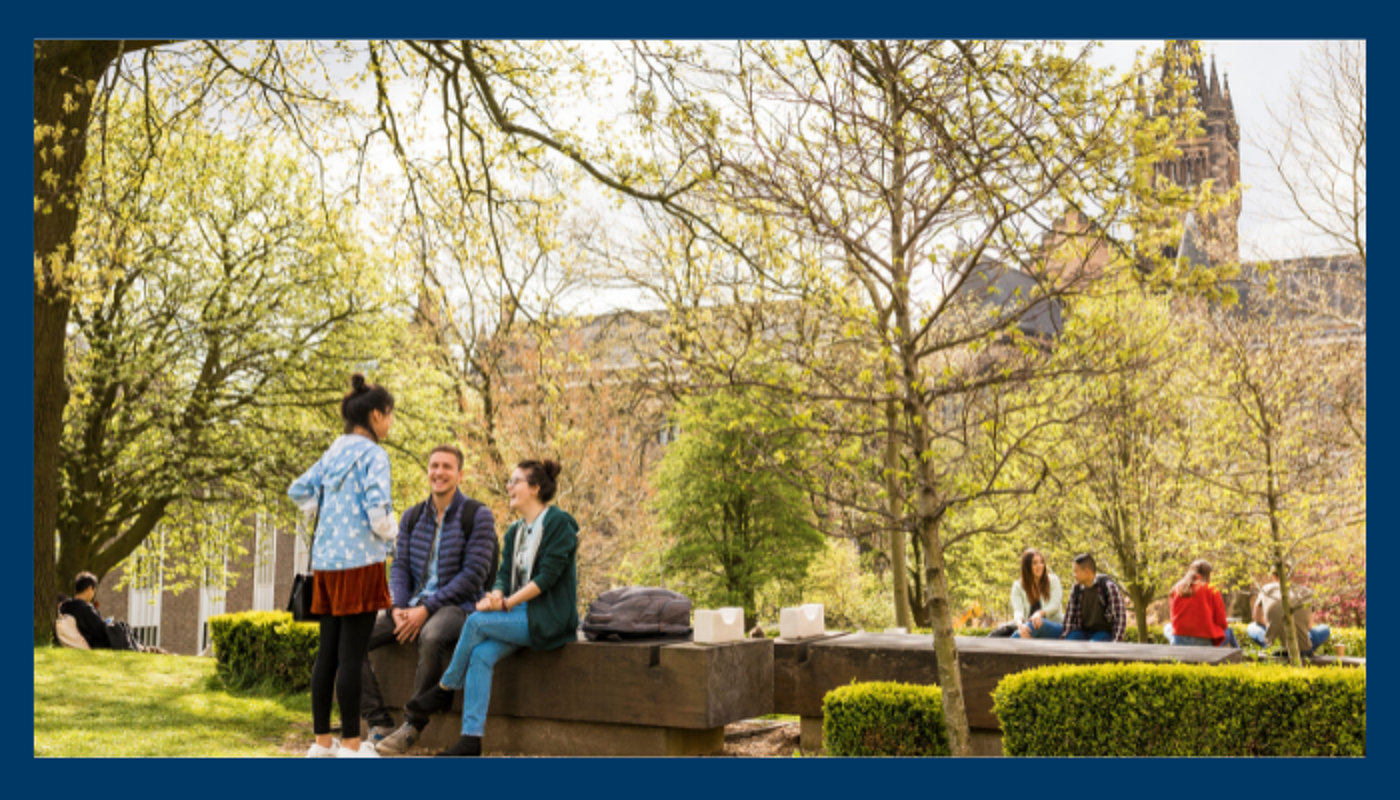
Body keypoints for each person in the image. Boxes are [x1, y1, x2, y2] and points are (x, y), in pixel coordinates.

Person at [404, 459, 579, 757]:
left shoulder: (558, 524)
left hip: (547, 617)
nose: (509, 487)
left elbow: (546, 578)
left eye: (516, 481)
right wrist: (496, 595)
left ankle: (445, 689)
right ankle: (471, 740)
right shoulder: (514, 531)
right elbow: (501, 575)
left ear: (535, 488)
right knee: (481, 655)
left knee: (475, 622)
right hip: (517, 616)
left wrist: (506, 603)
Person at [362, 445, 498, 756]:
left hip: (457, 606)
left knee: (432, 635)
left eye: (447, 467)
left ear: (459, 474)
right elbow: (399, 568)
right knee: (350, 639)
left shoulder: (477, 515)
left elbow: (473, 576)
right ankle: (379, 721)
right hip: (410, 605)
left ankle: (413, 725)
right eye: (434, 465)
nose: (439, 472)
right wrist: (397, 606)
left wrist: (426, 609)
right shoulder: (411, 517)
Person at [288, 373, 397, 759]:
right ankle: (352, 745)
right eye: (390, 416)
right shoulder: (374, 455)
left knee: (328, 654)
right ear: (377, 415)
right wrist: (392, 531)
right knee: (353, 656)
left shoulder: (333, 452)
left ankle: (321, 744)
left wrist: (326, 510)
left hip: (327, 565)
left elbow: (298, 489)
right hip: (361, 564)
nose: (390, 424)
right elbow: (377, 512)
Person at [1247, 570, 1331, 657]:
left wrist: (1271, 625)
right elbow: (1309, 626)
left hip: (1274, 648)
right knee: (1324, 629)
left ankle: (1272, 643)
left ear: (1275, 577)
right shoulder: (1307, 592)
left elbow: (1256, 618)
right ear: (1292, 576)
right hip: (1303, 649)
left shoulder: (1266, 590)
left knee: (1252, 627)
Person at [1163, 559, 1240, 648]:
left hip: (1179, 640)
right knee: (1229, 631)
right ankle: (1239, 657)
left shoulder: (1176, 589)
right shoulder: (1211, 589)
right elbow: (1221, 622)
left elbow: (1173, 618)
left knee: (1167, 627)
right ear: (1207, 575)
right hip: (1204, 641)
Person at [1060, 553, 1127, 642]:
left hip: (1104, 632)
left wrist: (1115, 644)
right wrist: (1064, 639)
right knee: (1069, 643)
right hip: (1083, 632)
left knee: (1092, 649)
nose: (1074, 575)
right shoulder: (1076, 589)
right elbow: (1069, 618)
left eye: (1076, 571)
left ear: (1087, 571)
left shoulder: (1108, 587)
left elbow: (1120, 618)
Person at [1010, 548, 1064, 639]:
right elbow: (1018, 611)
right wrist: (1020, 626)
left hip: (1055, 627)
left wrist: (1038, 614)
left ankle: (1007, 649)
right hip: (1032, 630)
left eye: (1041, 562)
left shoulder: (1053, 580)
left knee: (1037, 623)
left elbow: (1055, 605)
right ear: (1027, 566)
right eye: (1035, 563)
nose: (1040, 565)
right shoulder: (1018, 586)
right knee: (1026, 629)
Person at [59, 572, 111, 650]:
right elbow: (101, 632)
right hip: (88, 643)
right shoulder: (86, 610)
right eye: (94, 591)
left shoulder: (65, 606)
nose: (93, 594)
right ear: (89, 588)